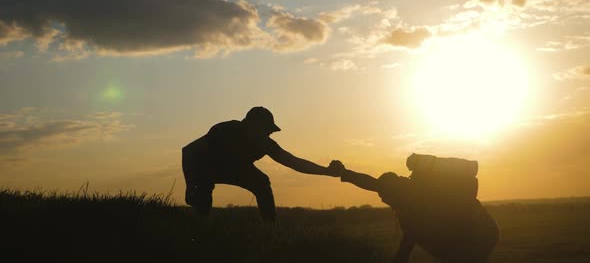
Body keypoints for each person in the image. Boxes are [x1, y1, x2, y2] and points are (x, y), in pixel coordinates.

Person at [182, 106, 340, 222]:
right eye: (266, 129)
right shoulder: (224, 131)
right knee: (202, 191)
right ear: (251, 126)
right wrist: (190, 184)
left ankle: (270, 228)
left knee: (262, 182)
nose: (269, 134)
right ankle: (200, 230)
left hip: (238, 168)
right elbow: (188, 151)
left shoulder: (266, 144)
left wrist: (327, 171)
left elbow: (294, 162)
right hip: (206, 166)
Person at [329, 160, 499, 263]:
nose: (381, 199)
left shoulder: (414, 207)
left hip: (477, 235)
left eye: (383, 196)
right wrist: (344, 173)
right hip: (480, 231)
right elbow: (371, 183)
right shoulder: (402, 191)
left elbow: (406, 247)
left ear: (393, 194)